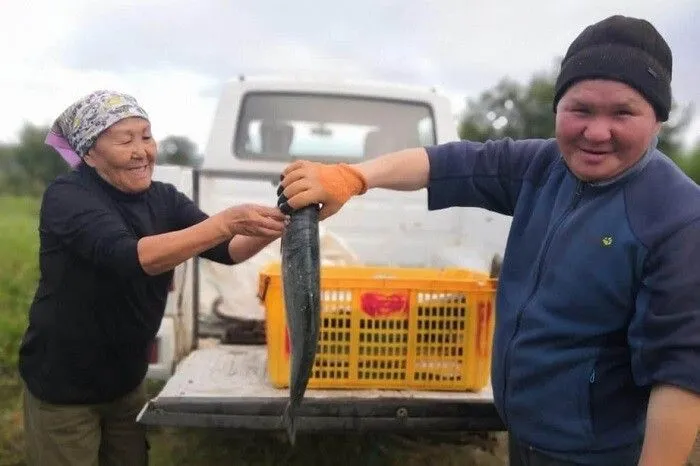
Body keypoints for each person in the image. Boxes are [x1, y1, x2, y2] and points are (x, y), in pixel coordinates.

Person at [277, 15, 700, 466]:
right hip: (526, 435)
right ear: (559, 108)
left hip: (600, 454)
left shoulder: (678, 218)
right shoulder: (543, 165)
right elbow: (448, 163)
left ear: (657, 120)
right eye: (580, 109)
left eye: (623, 112)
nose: (596, 132)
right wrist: (354, 177)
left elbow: (681, 376)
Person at [18, 90, 288, 466]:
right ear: (91, 153)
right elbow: (131, 257)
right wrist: (224, 222)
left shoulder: (164, 199)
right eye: (125, 139)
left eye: (146, 136)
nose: (141, 151)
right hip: (64, 384)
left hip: (125, 381)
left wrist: (283, 220)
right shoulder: (69, 197)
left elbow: (228, 250)